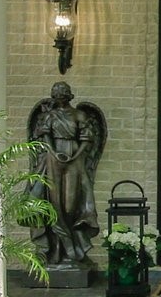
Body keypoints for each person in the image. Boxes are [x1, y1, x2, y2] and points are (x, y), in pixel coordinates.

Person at [27, 82, 106, 267]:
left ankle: (72, 246)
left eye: (62, 94)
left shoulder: (79, 115)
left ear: (69, 95)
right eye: (55, 94)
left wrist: (75, 157)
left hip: (75, 157)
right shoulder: (49, 116)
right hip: (52, 157)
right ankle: (58, 249)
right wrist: (54, 153)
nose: (58, 97)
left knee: (71, 206)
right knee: (54, 205)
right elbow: (44, 135)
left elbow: (87, 139)